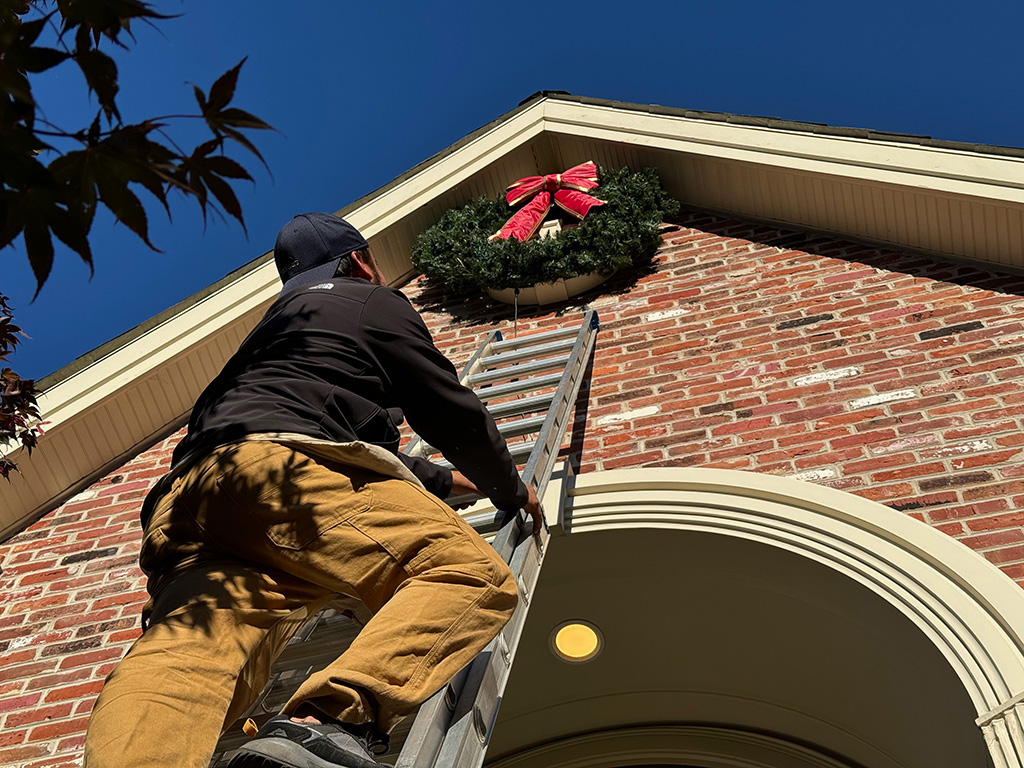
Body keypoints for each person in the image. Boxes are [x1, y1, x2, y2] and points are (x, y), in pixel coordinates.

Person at [83, 212, 542, 768]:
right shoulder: (366, 299)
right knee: (465, 575)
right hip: (285, 475)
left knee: (187, 657)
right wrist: (508, 488)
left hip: (187, 499)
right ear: (360, 260)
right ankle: (321, 724)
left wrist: (447, 481)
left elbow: (316, 422)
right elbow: (448, 410)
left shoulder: (265, 343)